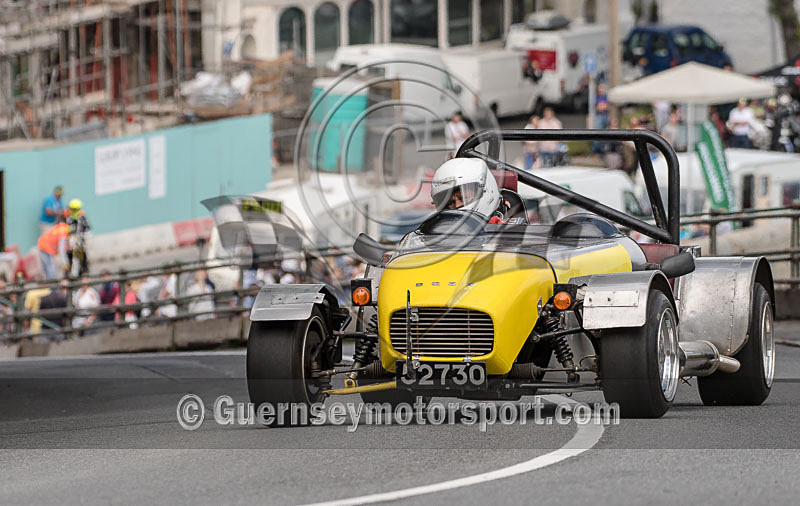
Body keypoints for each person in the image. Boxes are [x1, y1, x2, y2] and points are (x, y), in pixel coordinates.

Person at [430, 158, 502, 220]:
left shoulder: (508, 230)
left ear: (486, 190)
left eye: (463, 198)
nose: (457, 206)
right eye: (450, 203)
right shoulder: (436, 231)